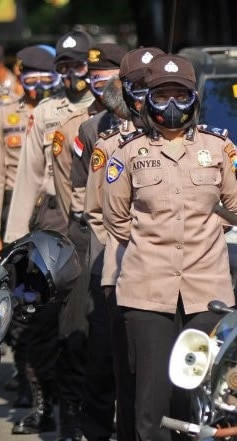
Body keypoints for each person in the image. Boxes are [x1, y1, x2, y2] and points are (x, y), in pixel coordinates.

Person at [102, 53, 237, 441]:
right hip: (147, 294)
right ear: (146, 101)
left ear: (194, 99)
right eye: (161, 95)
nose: (171, 105)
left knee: (196, 398)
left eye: (179, 96)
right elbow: (116, 220)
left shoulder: (218, 148)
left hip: (207, 294)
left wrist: (201, 230)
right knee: (151, 404)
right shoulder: (128, 152)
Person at [7, 30, 95, 438]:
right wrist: (15, 235)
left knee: (83, 323)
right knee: (36, 320)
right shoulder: (45, 113)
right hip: (51, 220)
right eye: (64, 67)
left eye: (78, 66)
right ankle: (44, 406)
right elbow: (28, 176)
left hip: (94, 223)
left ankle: (82, 409)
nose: (71, 74)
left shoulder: (104, 108)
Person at [82, 46, 163, 441]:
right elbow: (98, 214)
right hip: (126, 275)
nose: (152, 95)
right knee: (128, 374)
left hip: (188, 280)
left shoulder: (203, 143)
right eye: (142, 87)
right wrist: (136, 252)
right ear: (127, 92)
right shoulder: (112, 146)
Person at [51, 42, 125, 441]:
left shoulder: (146, 120)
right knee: (79, 332)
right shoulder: (81, 128)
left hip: (138, 243)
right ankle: (73, 420)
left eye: (107, 77)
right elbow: (70, 188)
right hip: (87, 234)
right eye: (95, 78)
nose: (100, 84)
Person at [0, 44, 62, 411]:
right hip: (17, 213)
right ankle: (29, 387)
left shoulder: (68, 114)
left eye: (46, 78)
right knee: (21, 305)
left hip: (57, 215)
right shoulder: (8, 113)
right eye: (31, 79)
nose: (38, 86)